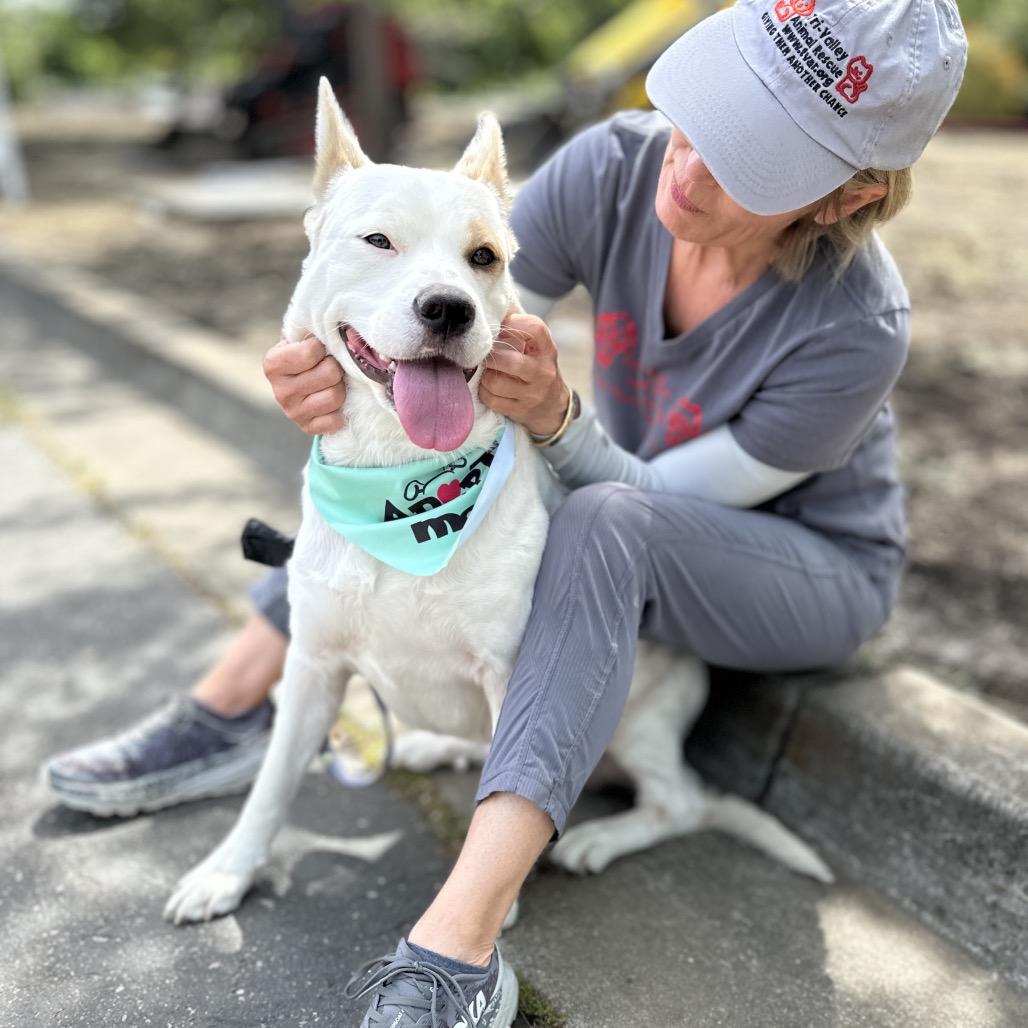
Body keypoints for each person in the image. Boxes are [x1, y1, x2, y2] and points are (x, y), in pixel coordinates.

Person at [47, 0, 966, 1022]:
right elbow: (443, 264)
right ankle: (227, 705)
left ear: (844, 198)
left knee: (595, 519)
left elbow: (640, 502)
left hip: (796, 572)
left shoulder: (855, 323)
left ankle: (462, 941)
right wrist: (325, 365)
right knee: (387, 467)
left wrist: (557, 417)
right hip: (621, 499)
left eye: (748, 160)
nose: (688, 166)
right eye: (704, 113)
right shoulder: (620, 166)